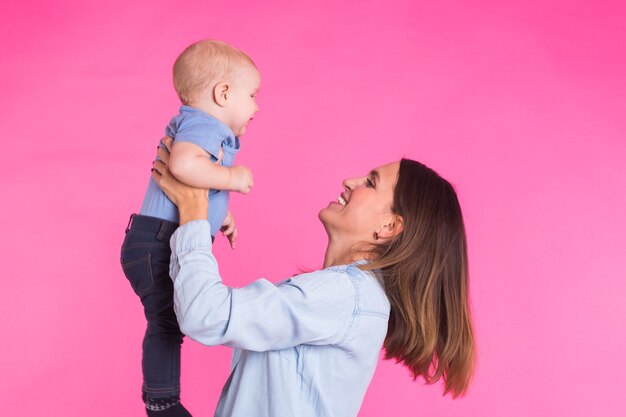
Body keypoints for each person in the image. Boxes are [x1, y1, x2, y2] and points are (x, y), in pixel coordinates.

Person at [151, 138, 476, 417]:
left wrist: (193, 211)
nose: (350, 181)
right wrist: (200, 217)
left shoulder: (345, 294)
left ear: (388, 227)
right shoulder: (349, 297)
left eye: (371, 183)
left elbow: (205, 315)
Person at [121, 40, 260, 417]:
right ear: (223, 92)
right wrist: (230, 178)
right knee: (167, 321)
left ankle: (161, 397)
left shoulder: (201, 126)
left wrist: (220, 214)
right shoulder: (203, 123)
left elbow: (195, 177)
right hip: (157, 242)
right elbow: (183, 166)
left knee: (171, 319)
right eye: (252, 95)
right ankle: (162, 402)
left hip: (155, 238)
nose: (256, 106)